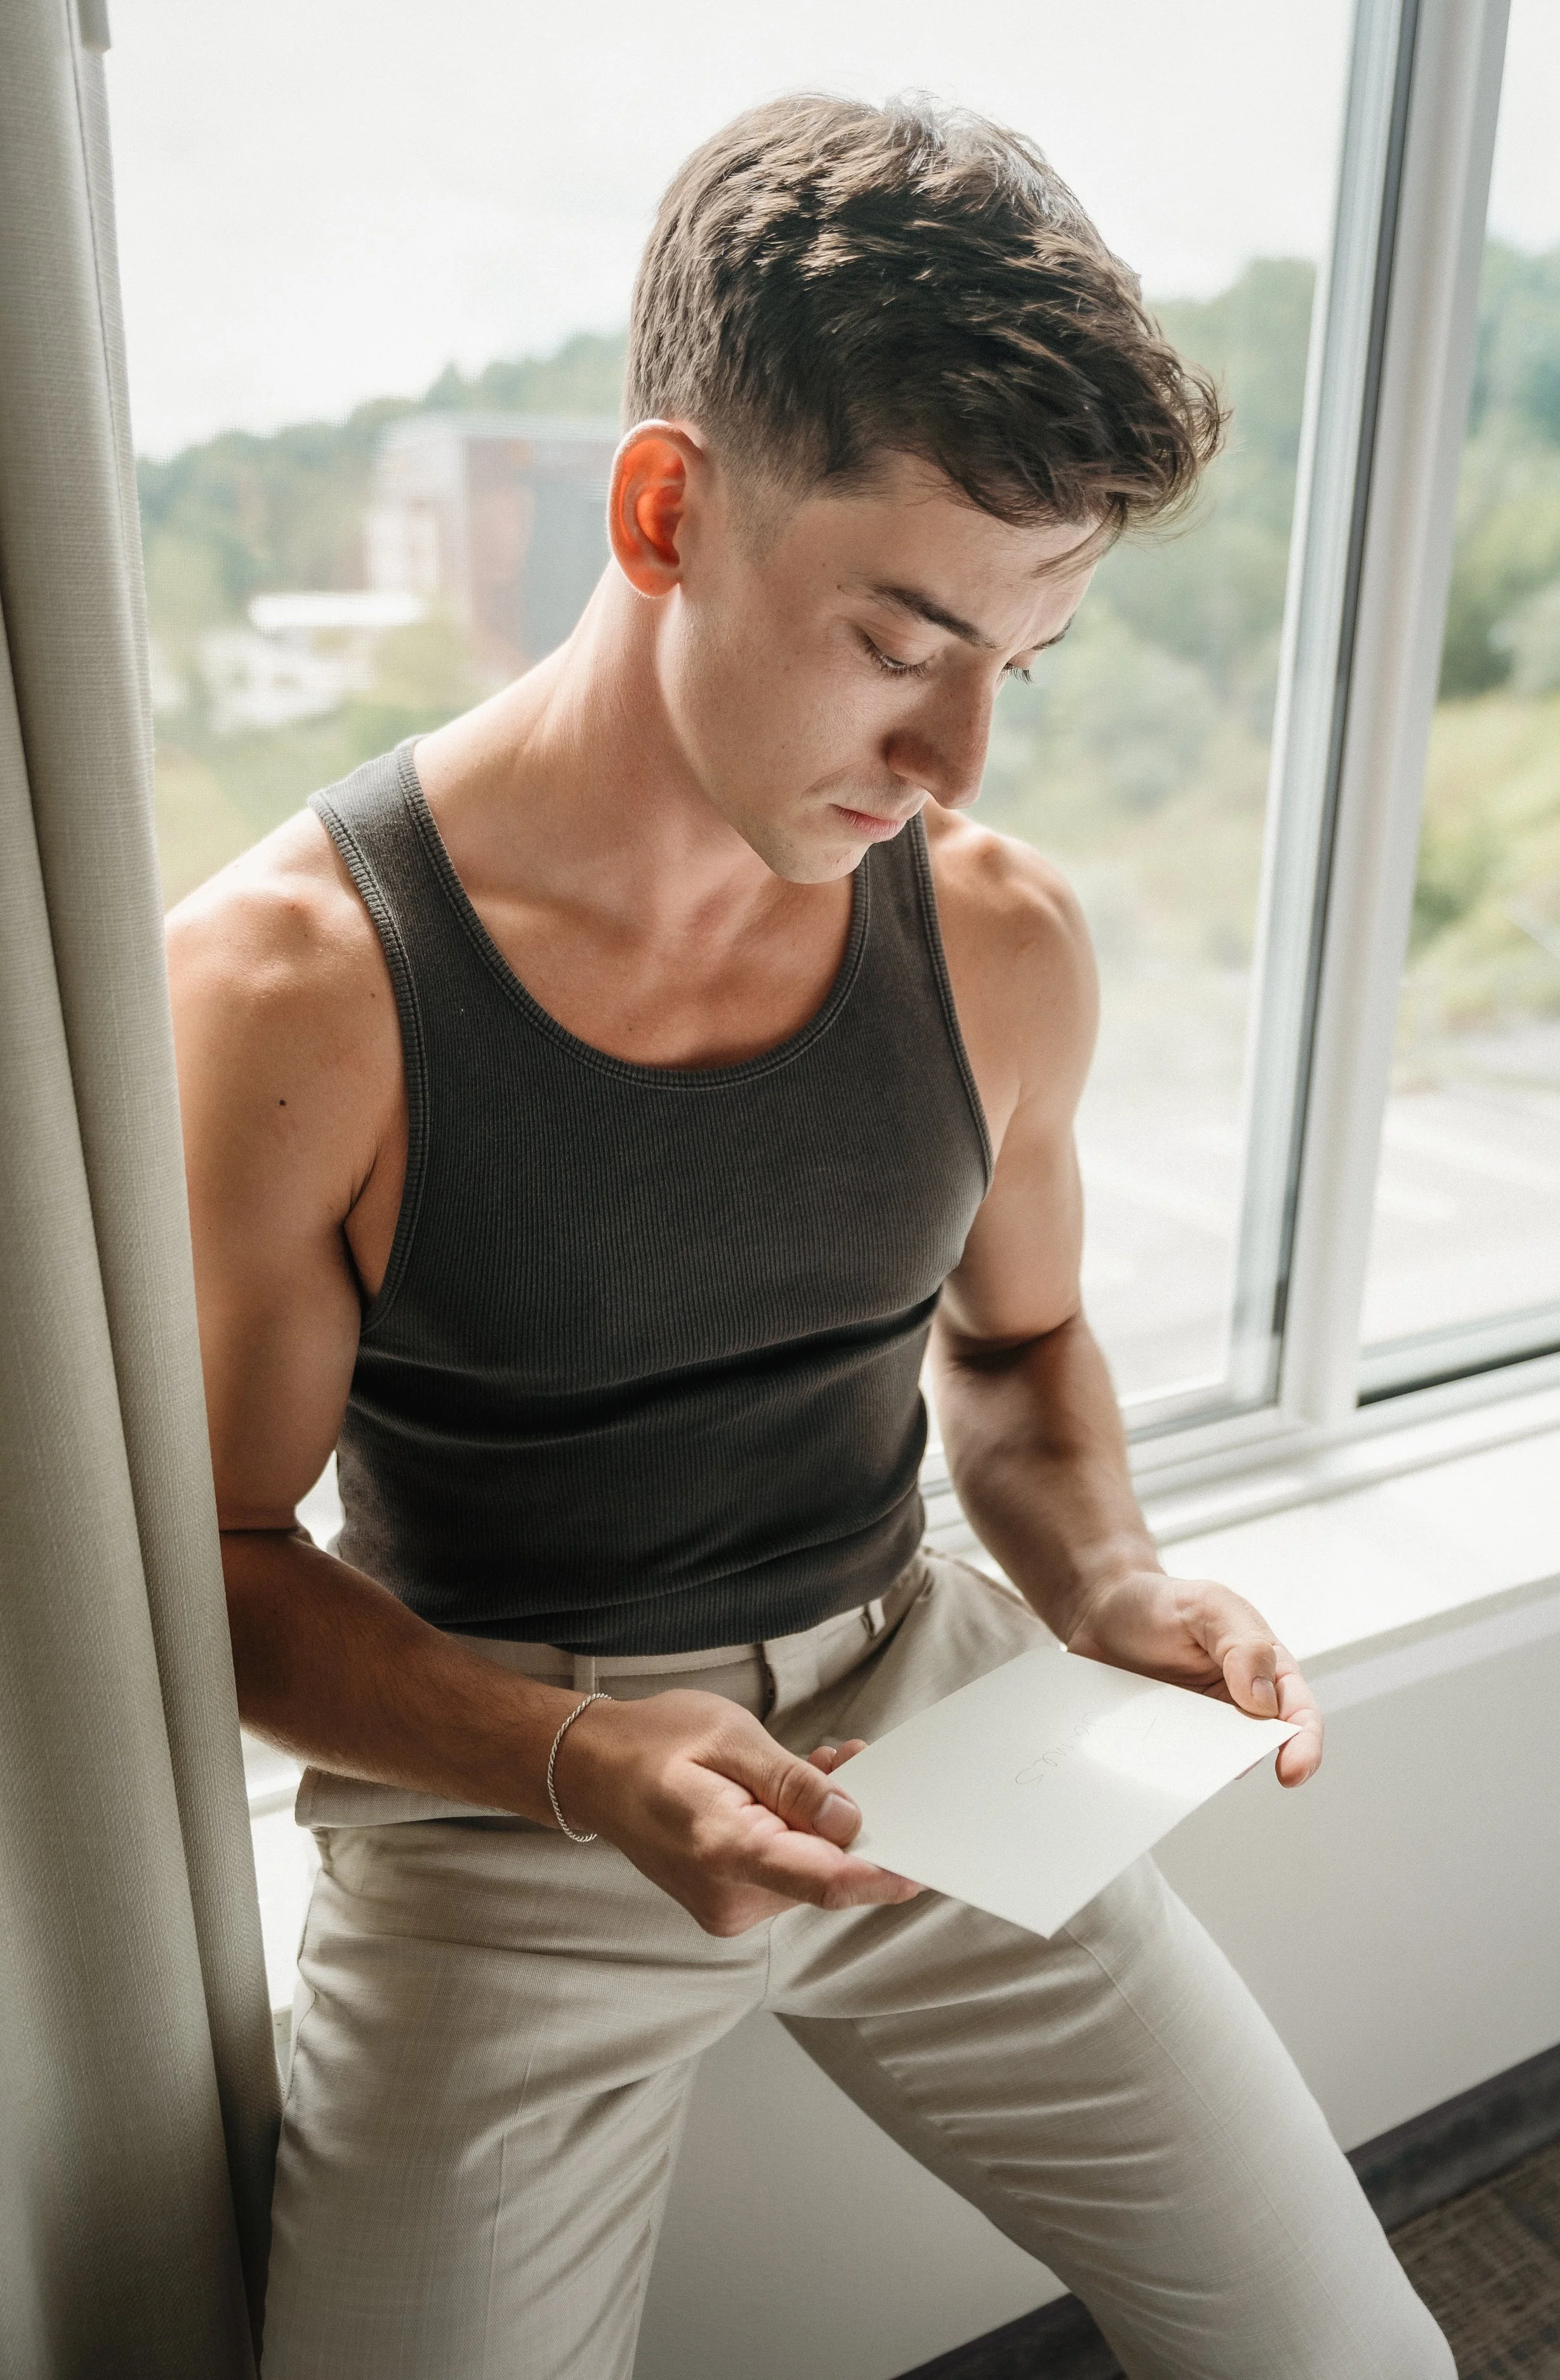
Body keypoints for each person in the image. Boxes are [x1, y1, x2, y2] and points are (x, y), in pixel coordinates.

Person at [169, 93, 1453, 2380]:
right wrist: (581, 1761)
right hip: (507, 1809)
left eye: (1019, 668)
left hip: (929, 1711)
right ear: (665, 510)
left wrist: (1108, 1580)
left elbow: (1020, 1358)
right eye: (900, 643)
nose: (961, 755)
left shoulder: (998, 938)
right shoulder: (294, 987)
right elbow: (216, 1562)